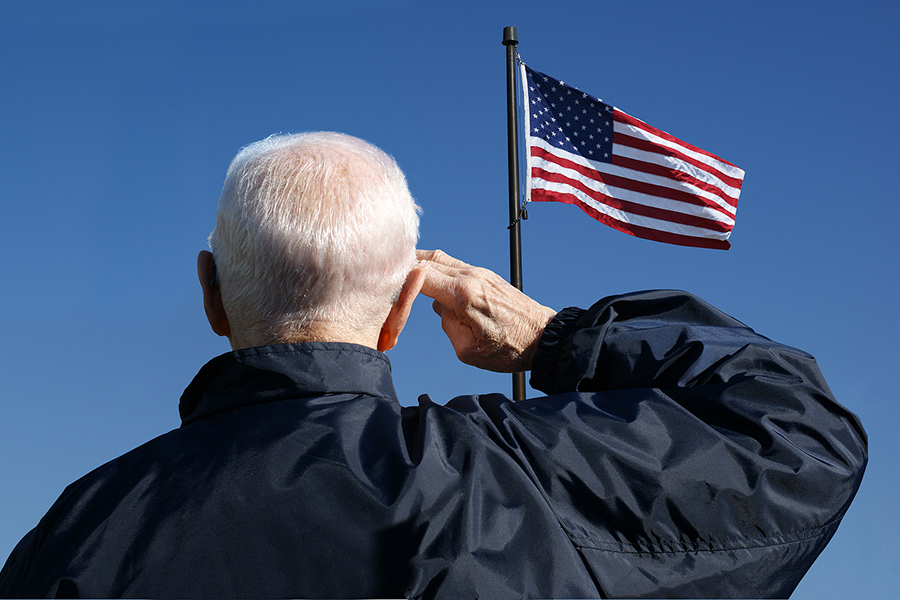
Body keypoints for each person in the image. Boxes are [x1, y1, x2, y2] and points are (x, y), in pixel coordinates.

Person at [0, 132, 866, 599]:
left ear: (211, 296)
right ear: (406, 307)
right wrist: (553, 338)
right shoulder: (506, 482)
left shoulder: (75, 533)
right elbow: (799, 433)